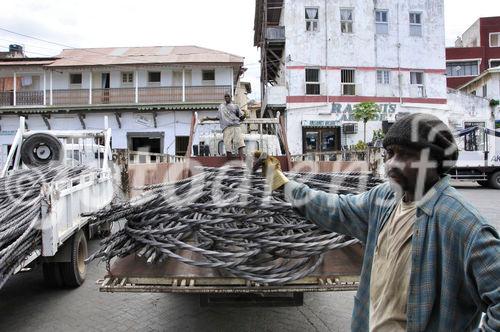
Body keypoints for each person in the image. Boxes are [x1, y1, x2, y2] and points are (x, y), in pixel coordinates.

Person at [256, 113, 500, 331]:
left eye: (405, 155)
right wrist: (283, 184)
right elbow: (335, 209)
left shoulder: (462, 224)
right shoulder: (385, 199)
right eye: (390, 153)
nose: (391, 163)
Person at [203, 92, 246, 160]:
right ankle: (229, 161)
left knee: (240, 143)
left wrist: (244, 115)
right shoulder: (221, 107)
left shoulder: (236, 106)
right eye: (225, 96)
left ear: (231, 97)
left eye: (228, 96)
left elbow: (241, 117)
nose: (226, 98)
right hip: (226, 128)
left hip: (236, 126)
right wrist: (208, 118)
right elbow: (218, 117)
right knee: (227, 145)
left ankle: (241, 159)